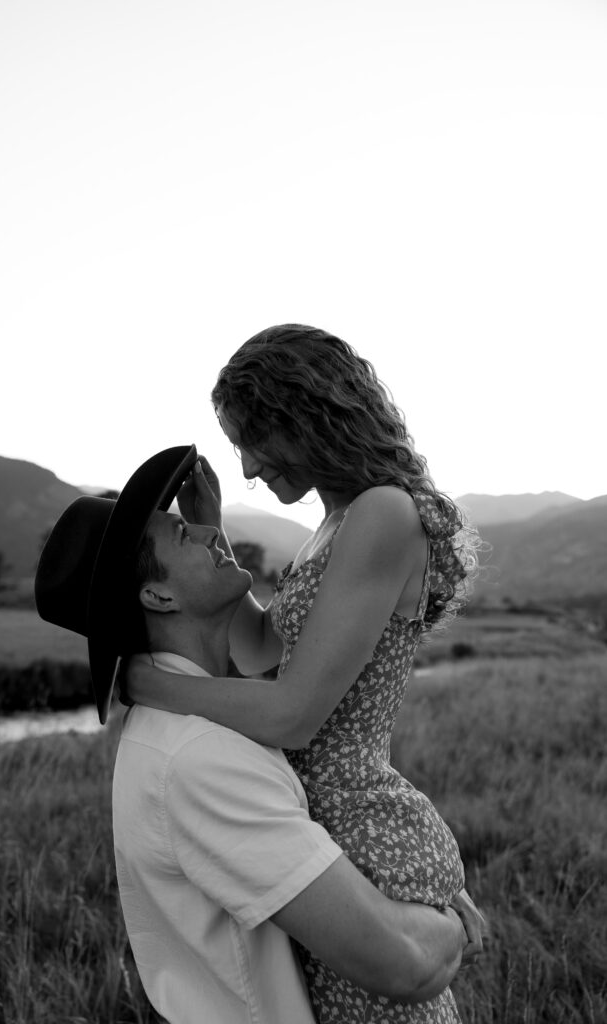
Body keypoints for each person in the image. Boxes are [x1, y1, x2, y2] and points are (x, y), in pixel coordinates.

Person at [35, 445, 483, 1024]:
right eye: (181, 534)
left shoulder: (201, 723)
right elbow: (403, 964)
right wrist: (447, 920)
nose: (202, 533)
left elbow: (266, 670)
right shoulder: (201, 759)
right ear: (159, 596)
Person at [125, 327, 485, 1023]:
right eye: (237, 449)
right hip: (304, 816)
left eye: (255, 441)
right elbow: (263, 648)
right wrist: (212, 529)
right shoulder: (334, 519)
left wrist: (152, 685)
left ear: (308, 417)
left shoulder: (382, 512)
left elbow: (293, 713)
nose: (250, 468)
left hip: (352, 819)